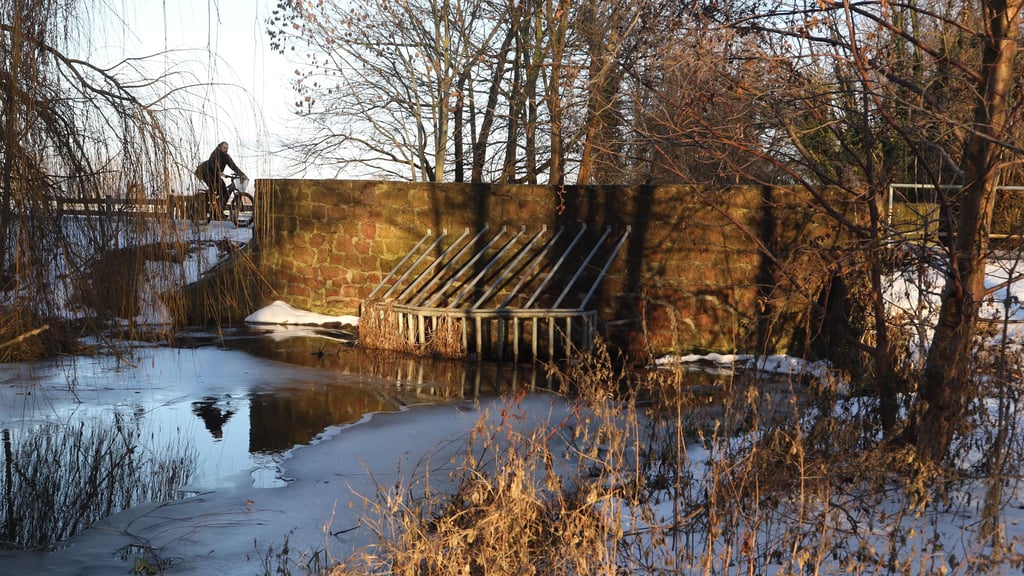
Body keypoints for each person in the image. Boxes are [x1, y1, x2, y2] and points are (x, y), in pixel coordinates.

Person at [194, 142, 247, 211]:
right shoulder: (215, 154)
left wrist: (242, 174)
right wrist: (218, 171)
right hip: (205, 172)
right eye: (224, 148)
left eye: (227, 148)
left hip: (215, 174)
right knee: (217, 188)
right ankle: (205, 203)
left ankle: (219, 210)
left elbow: (233, 166)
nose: (226, 150)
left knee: (223, 190)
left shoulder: (226, 156)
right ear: (219, 147)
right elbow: (213, 163)